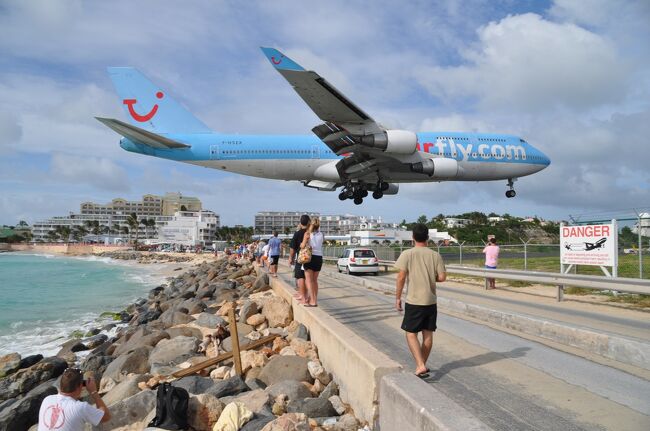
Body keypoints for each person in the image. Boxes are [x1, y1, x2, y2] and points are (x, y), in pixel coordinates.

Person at [394, 223, 446, 378]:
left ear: (413, 238)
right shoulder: (435, 255)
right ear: (427, 238)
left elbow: (401, 277)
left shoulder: (407, 254)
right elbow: (442, 277)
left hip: (414, 300)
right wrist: (430, 277)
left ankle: (420, 365)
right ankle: (421, 364)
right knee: (428, 335)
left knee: (410, 334)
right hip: (431, 301)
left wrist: (397, 298)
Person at [38, 367, 111, 430]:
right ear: (80, 386)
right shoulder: (81, 407)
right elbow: (106, 417)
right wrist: (94, 392)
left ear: (61, 384)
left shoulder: (47, 399)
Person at [300, 218, 324, 307]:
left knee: (309, 281)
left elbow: (302, 246)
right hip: (319, 258)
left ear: (310, 224)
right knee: (315, 281)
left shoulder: (307, 234)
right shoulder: (322, 234)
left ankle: (312, 301)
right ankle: (314, 299)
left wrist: (302, 243)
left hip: (309, 257)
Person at [289, 214, 311, 304]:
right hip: (310, 257)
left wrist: (291, 257)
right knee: (308, 278)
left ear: (300, 223)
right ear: (309, 222)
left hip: (301, 258)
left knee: (300, 277)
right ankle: (307, 296)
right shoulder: (311, 233)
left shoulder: (297, 233)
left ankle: (303, 296)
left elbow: (292, 248)